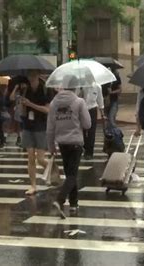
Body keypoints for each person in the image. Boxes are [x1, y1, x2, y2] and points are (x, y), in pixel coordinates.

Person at [48, 75, 91, 219]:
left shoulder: (54, 103)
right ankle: (60, 200)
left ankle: (74, 203)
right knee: (72, 175)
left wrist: (51, 146)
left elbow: (50, 127)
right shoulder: (79, 102)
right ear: (76, 87)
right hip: (76, 143)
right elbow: (87, 124)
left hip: (62, 143)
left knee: (69, 174)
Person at [22, 70, 54, 195]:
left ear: (38, 75)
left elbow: (47, 110)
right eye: (29, 75)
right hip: (28, 125)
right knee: (30, 157)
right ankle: (33, 185)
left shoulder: (46, 89)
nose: (31, 77)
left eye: (33, 75)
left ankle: (53, 171)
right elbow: (23, 111)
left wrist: (31, 104)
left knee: (40, 159)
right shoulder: (25, 89)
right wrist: (22, 105)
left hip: (41, 126)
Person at [77, 73, 106, 160]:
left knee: (91, 131)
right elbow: (76, 96)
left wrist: (102, 114)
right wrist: (80, 92)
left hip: (92, 109)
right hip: (82, 109)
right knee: (82, 130)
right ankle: (84, 147)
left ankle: (89, 152)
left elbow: (100, 100)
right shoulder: (81, 86)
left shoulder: (97, 86)